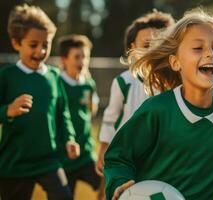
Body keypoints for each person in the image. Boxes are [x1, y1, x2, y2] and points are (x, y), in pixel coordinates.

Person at [104, 9, 213, 200]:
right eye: (198, 48)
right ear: (175, 62)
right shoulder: (157, 110)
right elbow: (119, 157)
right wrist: (120, 183)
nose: (210, 54)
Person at [0, 4, 79, 200]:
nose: (41, 51)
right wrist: (8, 110)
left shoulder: (53, 76)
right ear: (17, 43)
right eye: (33, 45)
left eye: (46, 44)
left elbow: (63, 113)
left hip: (49, 161)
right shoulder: (7, 76)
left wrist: (69, 138)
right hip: (15, 163)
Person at [96, 10, 174, 175]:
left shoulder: (173, 82)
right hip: (128, 157)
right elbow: (111, 118)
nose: (152, 50)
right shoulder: (123, 82)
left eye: (157, 44)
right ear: (133, 47)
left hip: (162, 158)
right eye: (146, 45)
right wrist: (104, 148)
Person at [57, 34, 103, 199]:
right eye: (77, 57)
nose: (82, 61)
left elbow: (92, 109)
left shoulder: (88, 83)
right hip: (62, 157)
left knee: (106, 182)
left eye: (85, 57)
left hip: (85, 153)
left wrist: (92, 100)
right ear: (64, 59)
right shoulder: (57, 83)